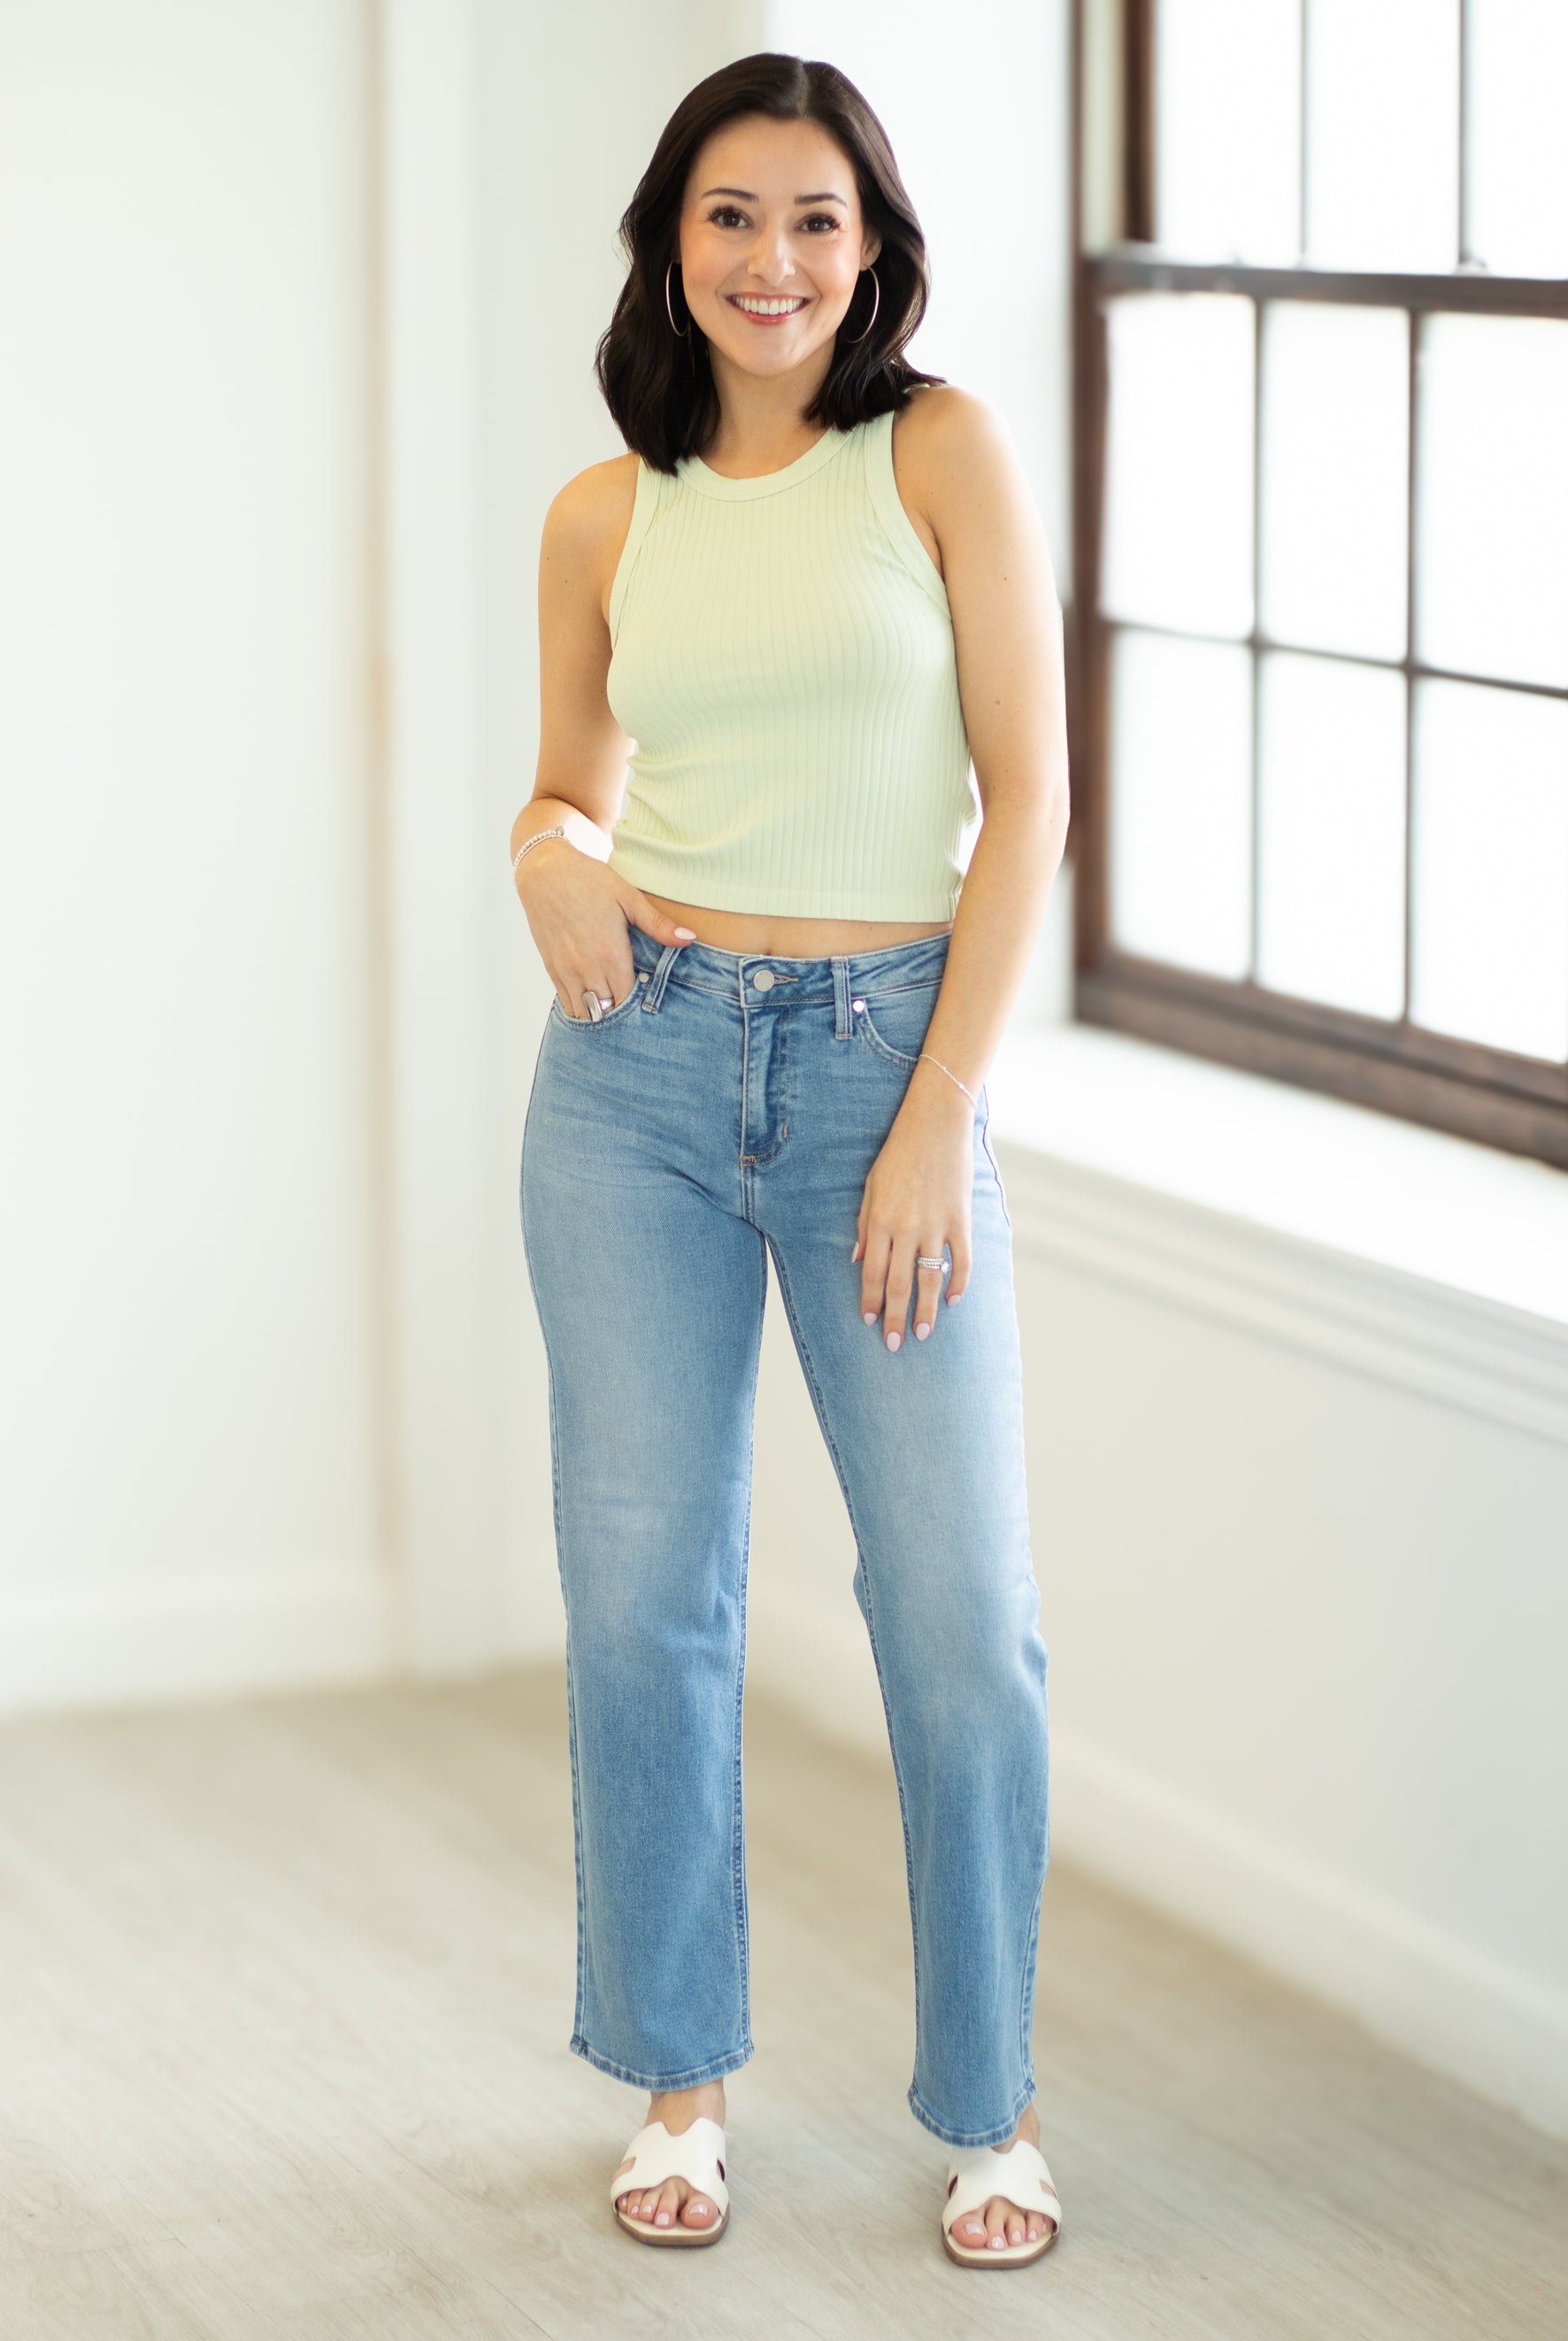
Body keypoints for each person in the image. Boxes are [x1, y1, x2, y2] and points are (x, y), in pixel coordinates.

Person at [510, 50, 1069, 2270]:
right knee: (649, 1607)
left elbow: (1028, 799)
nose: (774, 261)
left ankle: (991, 2108)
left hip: (878, 1067)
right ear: (673, 237)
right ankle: (679, 2082)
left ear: (873, 241)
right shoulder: (603, 507)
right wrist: (538, 852)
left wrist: (935, 1111)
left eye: (816, 218)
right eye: (732, 216)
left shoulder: (936, 454)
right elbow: (567, 791)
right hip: (630, 1077)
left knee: (961, 1620)